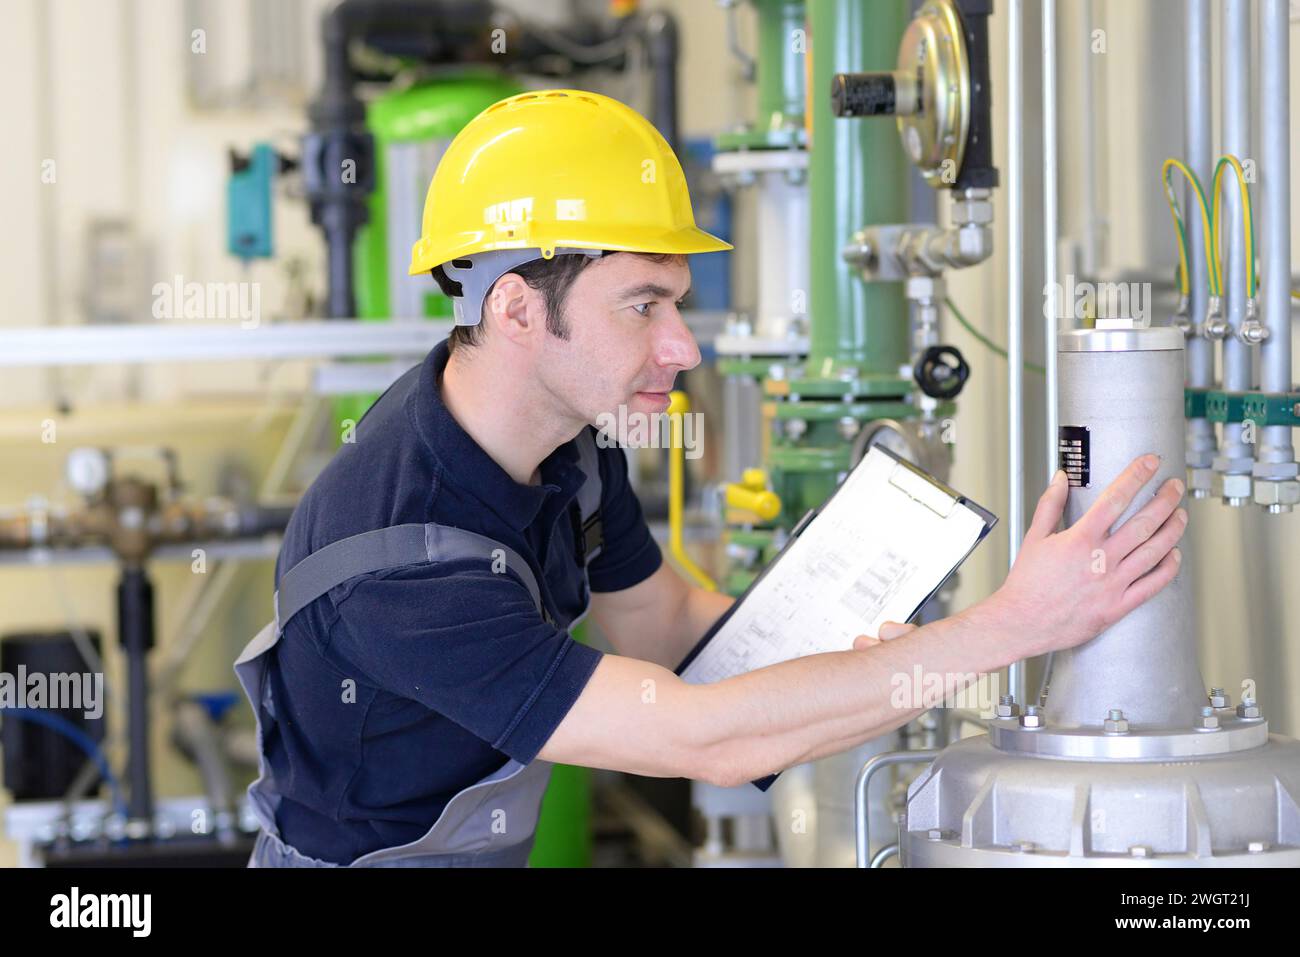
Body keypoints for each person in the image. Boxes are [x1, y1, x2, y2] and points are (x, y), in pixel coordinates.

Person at [235, 90, 1187, 867]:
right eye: (643, 305)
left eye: (677, 303)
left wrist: (864, 660)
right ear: (519, 309)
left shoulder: (572, 437)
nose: (683, 346)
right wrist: (1019, 624)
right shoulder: (402, 557)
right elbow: (702, 738)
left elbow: (667, 626)